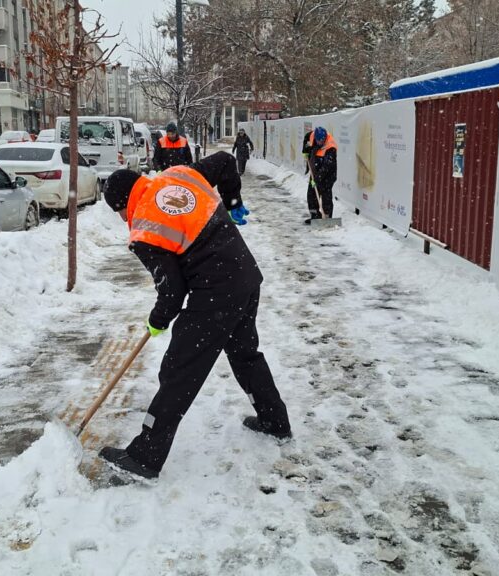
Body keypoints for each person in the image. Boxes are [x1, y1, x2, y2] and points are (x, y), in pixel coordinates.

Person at [98, 151, 291, 480]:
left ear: (122, 203)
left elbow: (172, 291)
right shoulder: (178, 175)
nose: (121, 218)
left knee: (178, 370)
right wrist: (232, 201)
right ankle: (275, 422)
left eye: (118, 211)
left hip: (216, 291)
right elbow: (226, 163)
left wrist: (157, 320)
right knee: (245, 354)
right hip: (245, 275)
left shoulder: (145, 227)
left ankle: (145, 456)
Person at [303, 126, 337, 224]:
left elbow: (327, 167)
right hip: (315, 171)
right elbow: (306, 138)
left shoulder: (331, 147)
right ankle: (315, 216)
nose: (320, 142)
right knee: (311, 196)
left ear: (325, 137)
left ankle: (327, 218)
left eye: (322, 140)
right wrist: (305, 151)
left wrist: (317, 179)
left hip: (328, 175)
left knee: (326, 196)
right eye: (318, 141)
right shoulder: (312, 135)